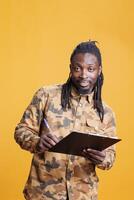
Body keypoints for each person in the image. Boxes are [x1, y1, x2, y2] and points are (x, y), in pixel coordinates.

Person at [14, 40, 117, 200]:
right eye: (77, 68)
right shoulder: (46, 96)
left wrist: (103, 158)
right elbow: (21, 130)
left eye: (90, 69)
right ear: (70, 69)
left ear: (99, 70)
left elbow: (111, 156)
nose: (83, 75)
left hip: (84, 194)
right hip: (43, 193)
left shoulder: (105, 113)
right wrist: (36, 142)